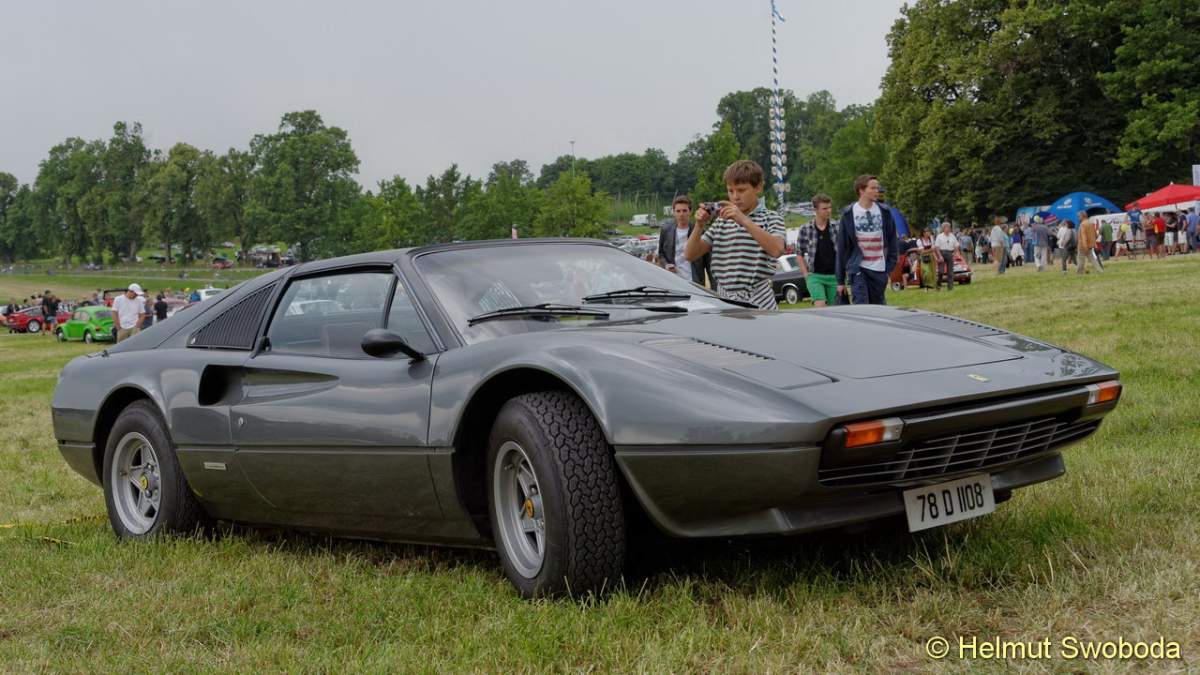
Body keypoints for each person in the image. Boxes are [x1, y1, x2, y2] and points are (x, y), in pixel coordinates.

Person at [684, 160, 786, 309]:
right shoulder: (722, 221)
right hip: (725, 301)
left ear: (758, 187)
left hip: (759, 301)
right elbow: (689, 255)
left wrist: (742, 219)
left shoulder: (771, 217)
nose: (735, 196)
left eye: (741, 190)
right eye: (730, 191)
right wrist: (699, 225)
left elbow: (777, 249)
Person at [835, 175, 898, 305]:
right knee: (861, 306)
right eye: (873, 188)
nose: (877, 191)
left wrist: (890, 265)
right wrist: (840, 280)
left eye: (878, 188)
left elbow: (892, 240)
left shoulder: (884, 211)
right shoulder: (848, 214)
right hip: (858, 267)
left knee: (878, 308)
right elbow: (842, 247)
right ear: (861, 190)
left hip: (879, 269)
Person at [795, 194, 840, 306]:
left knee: (835, 310)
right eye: (824, 208)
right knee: (821, 306)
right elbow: (799, 253)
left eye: (830, 207)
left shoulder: (837, 226)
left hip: (834, 276)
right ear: (815, 210)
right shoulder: (805, 229)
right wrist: (806, 275)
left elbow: (844, 251)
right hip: (815, 276)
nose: (828, 211)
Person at [656, 195, 710, 286]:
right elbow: (661, 254)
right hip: (673, 281)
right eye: (678, 211)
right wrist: (666, 265)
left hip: (695, 282)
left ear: (690, 212)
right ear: (673, 212)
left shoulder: (699, 232)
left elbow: (708, 262)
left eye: (684, 211)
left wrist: (714, 287)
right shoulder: (666, 230)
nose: (681, 214)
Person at [935, 222, 959, 290]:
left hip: (950, 253)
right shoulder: (939, 236)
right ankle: (938, 284)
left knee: (950, 272)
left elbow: (957, 245)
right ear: (943, 228)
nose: (948, 229)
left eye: (949, 227)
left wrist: (954, 253)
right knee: (941, 271)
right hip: (941, 253)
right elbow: (937, 247)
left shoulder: (952, 236)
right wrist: (940, 256)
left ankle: (950, 287)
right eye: (946, 227)